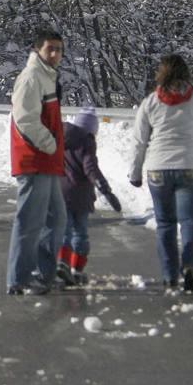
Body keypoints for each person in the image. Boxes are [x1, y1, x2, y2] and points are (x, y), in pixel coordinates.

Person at [128, 54, 193, 293]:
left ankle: (169, 275)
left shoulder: (150, 102)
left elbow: (139, 141)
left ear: (161, 74)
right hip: (192, 168)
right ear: (186, 73)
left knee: (165, 224)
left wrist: (135, 172)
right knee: (190, 221)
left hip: (158, 170)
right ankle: (190, 267)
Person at [6, 29, 67, 296]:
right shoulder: (32, 77)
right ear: (37, 50)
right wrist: (49, 143)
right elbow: (25, 119)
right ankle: (19, 278)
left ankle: (43, 273)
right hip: (35, 159)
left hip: (47, 160)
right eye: (49, 49)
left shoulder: (46, 77)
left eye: (59, 49)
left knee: (55, 219)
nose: (55, 54)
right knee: (30, 220)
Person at [56, 106, 121, 286]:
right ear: (92, 130)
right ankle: (77, 271)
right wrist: (105, 189)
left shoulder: (62, 139)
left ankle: (62, 262)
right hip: (81, 197)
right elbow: (90, 168)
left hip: (61, 194)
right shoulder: (86, 142)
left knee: (65, 231)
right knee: (80, 234)